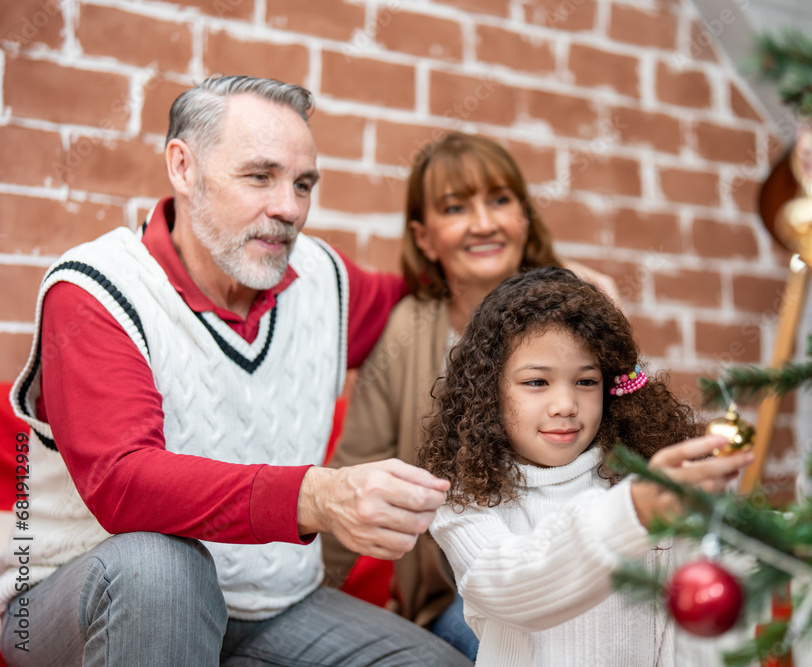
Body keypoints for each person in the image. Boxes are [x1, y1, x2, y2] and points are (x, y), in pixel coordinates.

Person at [0, 75, 471, 666]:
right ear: (183, 167)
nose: (289, 208)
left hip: (275, 608)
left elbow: (441, 294)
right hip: (83, 597)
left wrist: (558, 276)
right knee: (161, 570)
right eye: (260, 177)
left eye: (303, 184)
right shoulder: (97, 289)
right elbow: (124, 484)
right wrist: (317, 496)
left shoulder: (323, 278)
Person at [322, 132, 617, 659]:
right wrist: (305, 599)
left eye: (500, 200)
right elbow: (354, 474)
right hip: (459, 591)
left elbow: (631, 436)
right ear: (425, 237)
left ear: (525, 218)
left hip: (583, 562)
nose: (483, 223)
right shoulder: (405, 331)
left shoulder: (581, 311)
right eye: (456, 208)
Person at [418, 267, 755, 666]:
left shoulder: (642, 479)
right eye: (537, 383)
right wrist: (630, 512)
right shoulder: (465, 498)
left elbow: (685, 631)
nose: (565, 405)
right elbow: (512, 586)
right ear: (489, 391)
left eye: (585, 381)